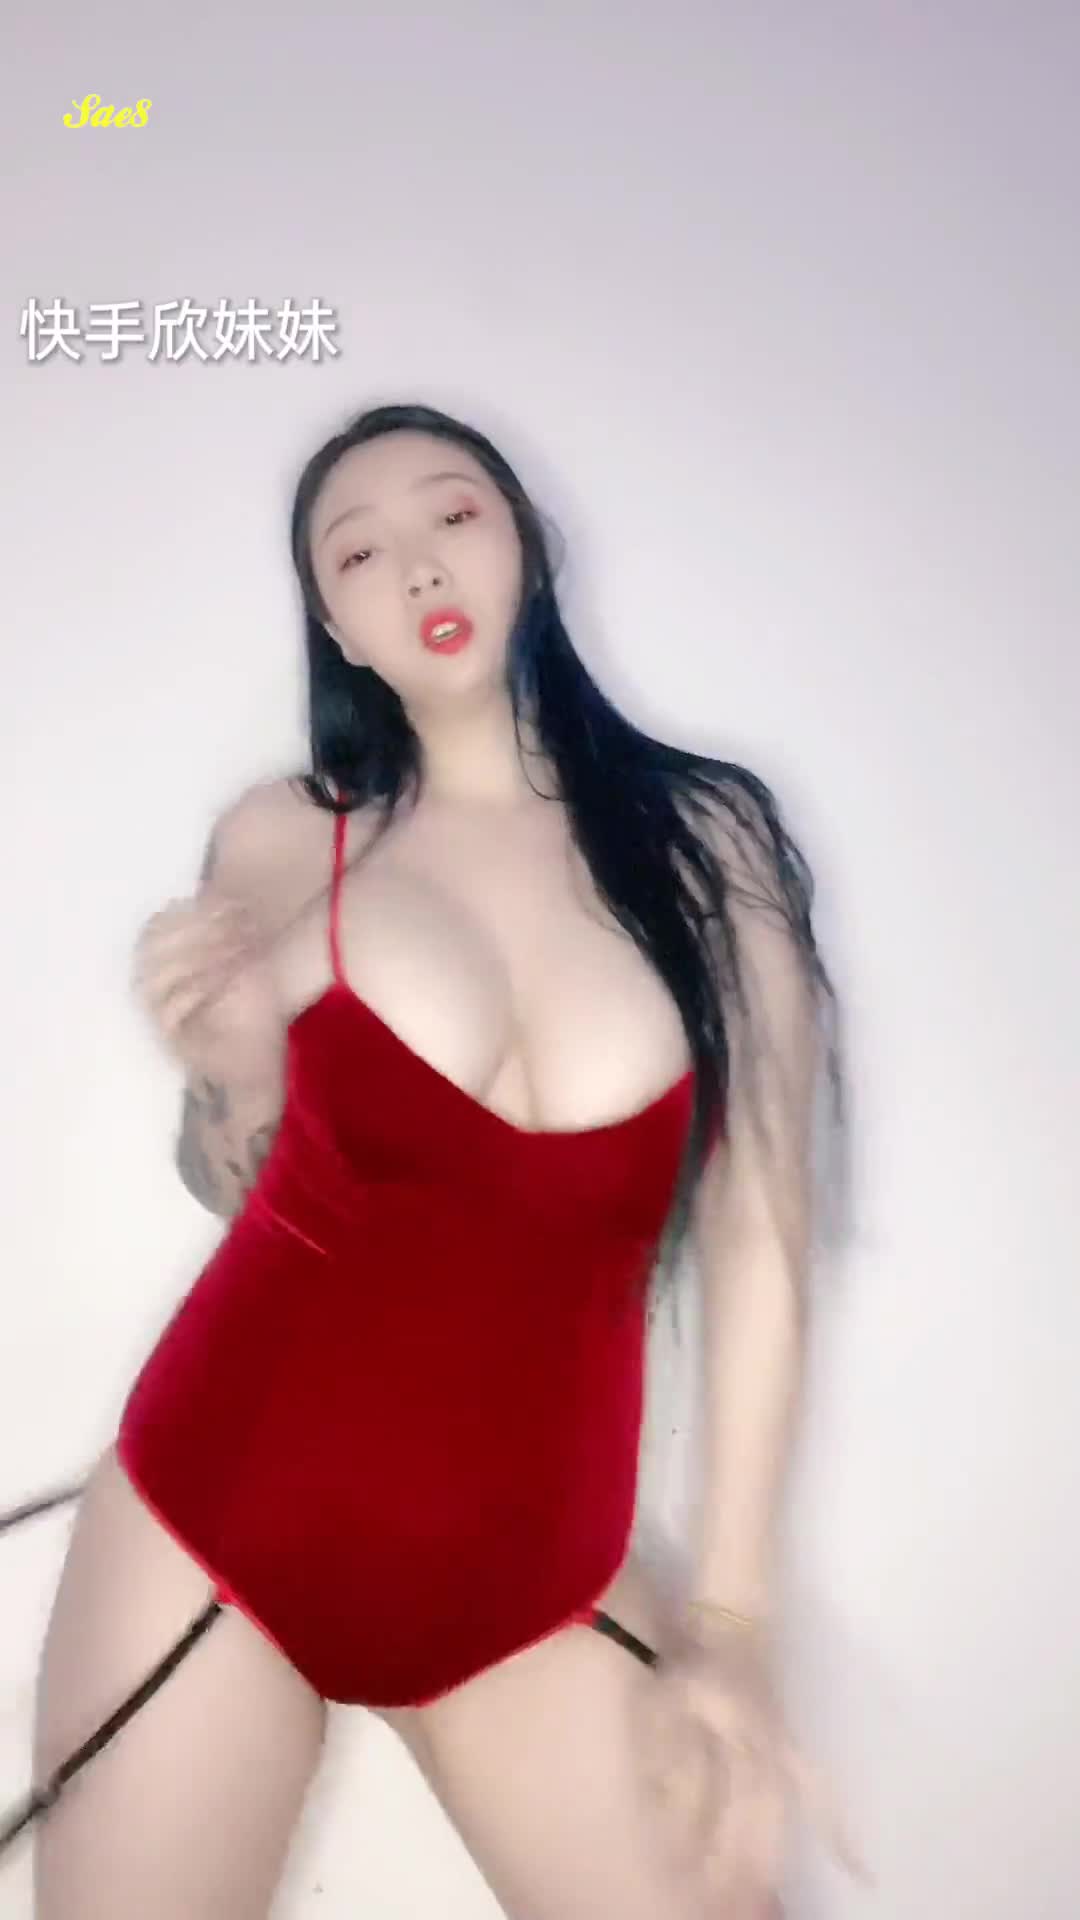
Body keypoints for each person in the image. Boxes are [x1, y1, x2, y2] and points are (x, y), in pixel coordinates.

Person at [2, 402, 862, 1918]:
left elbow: (762, 1231)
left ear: (525, 538)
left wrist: (731, 1623)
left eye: (452, 515)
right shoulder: (287, 838)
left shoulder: (709, 840)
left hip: (539, 1582)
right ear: (334, 626)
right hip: (213, 1525)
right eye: (358, 554)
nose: (415, 567)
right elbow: (231, 1175)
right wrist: (224, 1066)